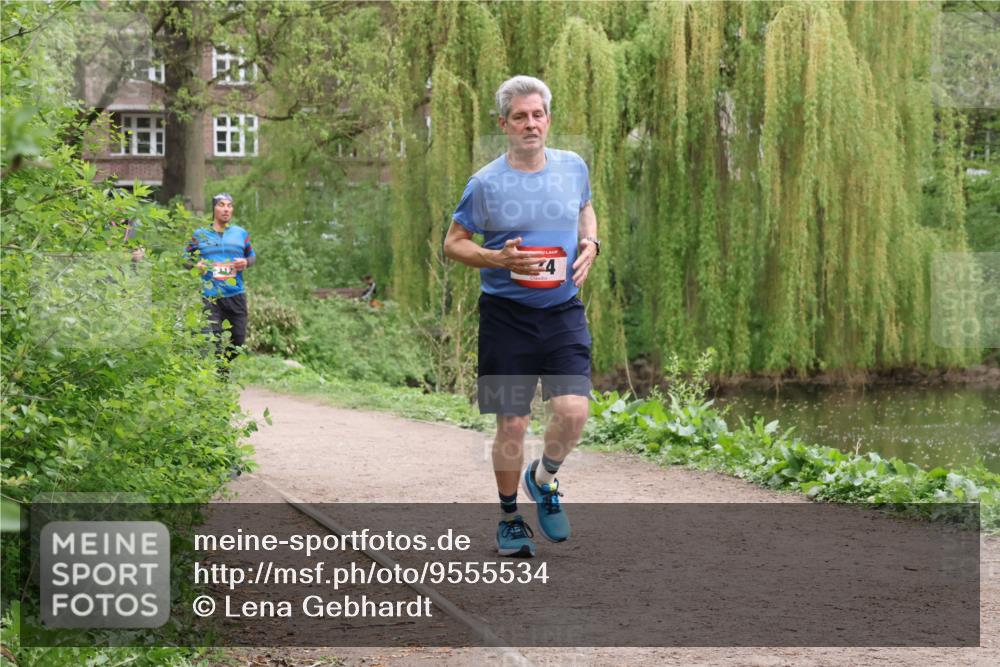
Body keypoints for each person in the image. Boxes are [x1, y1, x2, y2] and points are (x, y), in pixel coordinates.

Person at [443, 75, 600, 557]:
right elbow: (453, 243)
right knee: (512, 424)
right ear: (504, 124)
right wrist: (496, 258)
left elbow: (586, 208)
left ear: (548, 119)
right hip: (505, 317)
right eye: (519, 117)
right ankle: (510, 518)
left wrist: (591, 243)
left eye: (537, 115)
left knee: (573, 412)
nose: (530, 124)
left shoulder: (573, 166)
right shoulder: (485, 183)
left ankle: (544, 478)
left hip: (562, 311)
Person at [185, 193, 256, 369]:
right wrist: (195, 265)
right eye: (222, 205)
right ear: (214, 208)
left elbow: (252, 256)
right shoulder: (200, 235)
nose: (226, 209)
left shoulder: (241, 233)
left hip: (236, 294)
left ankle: (222, 369)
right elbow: (186, 258)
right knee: (212, 338)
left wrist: (246, 262)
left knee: (238, 341)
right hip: (211, 296)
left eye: (229, 206)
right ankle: (215, 377)